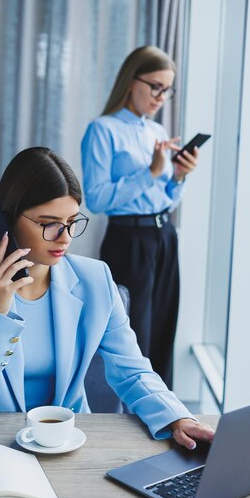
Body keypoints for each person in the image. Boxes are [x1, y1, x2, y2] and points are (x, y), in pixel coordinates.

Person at [0, 146, 213, 450]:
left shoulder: (96, 279)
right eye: (49, 223)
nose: (65, 237)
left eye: (72, 222)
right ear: (9, 219)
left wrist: (177, 418)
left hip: (68, 445)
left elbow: (132, 370)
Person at [81, 45, 198, 388]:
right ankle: (125, 419)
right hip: (128, 241)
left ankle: (163, 419)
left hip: (164, 237)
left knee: (162, 328)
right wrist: (150, 172)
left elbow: (163, 199)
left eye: (168, 89)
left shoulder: (157, 132)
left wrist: (177, 177)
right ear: (132, 81)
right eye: (155, 87)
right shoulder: (102, 130)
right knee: (132, 335)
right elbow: (97, 199)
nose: (161, 97)